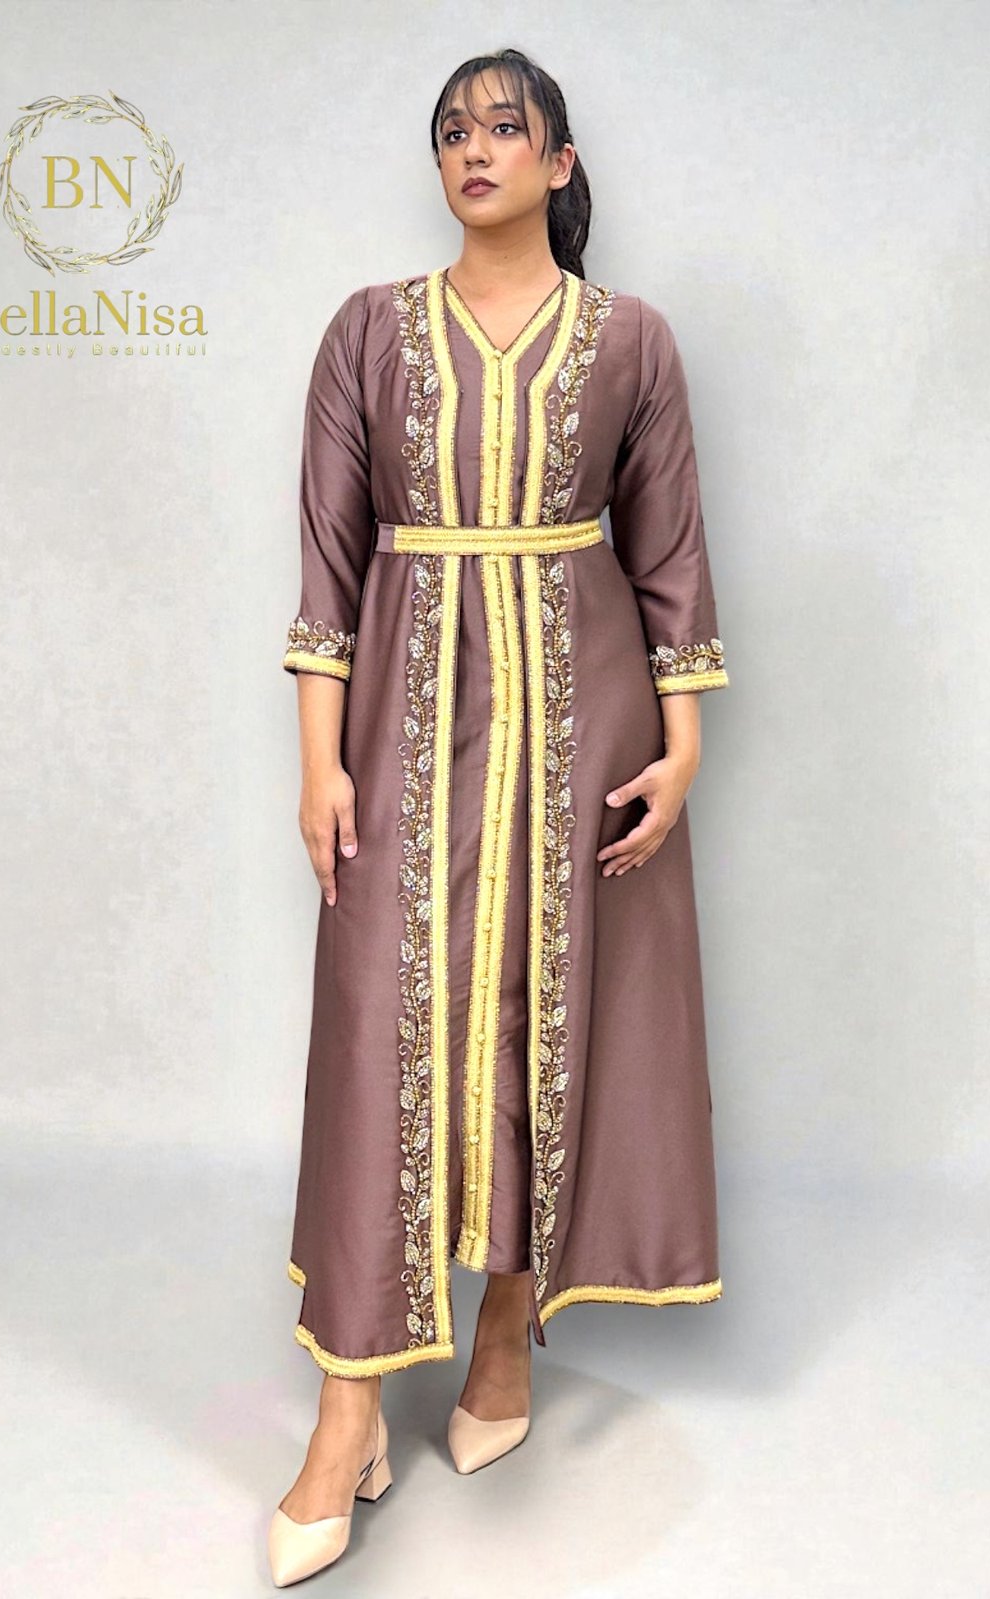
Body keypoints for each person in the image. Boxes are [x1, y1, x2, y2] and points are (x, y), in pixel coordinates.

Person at [267, 47, 730, 1586]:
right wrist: (319, 762)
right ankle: (347, 1414)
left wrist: (683, 746)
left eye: (505, 127)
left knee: (548, 1011)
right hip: (403, 720)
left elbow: (668, 553)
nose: (475, 149)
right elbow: (328, 562)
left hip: (581, 719)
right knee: (385, 1029)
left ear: (560, 160)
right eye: (453, 130)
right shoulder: (367, 333)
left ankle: (511, 1326)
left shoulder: (631, 341)